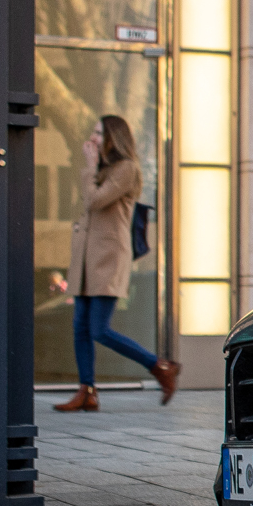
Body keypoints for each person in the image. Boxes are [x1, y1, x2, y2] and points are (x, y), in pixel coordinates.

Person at [55, 114, 178, 411]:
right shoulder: (104, 168)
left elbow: (95, 200)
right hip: (86, 259)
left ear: (114, 137)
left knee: (99, 329)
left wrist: (88, 167)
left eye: (99, 132)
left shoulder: (126, 169)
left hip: (108, 259)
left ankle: (159, 367)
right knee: (80, 327)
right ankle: (87, 391)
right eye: (94, 132)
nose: (93, 138)